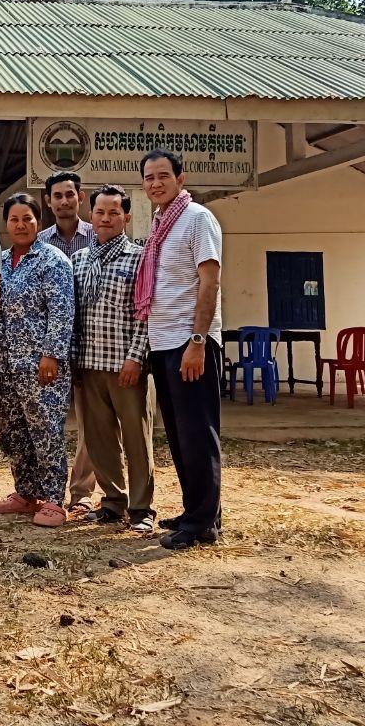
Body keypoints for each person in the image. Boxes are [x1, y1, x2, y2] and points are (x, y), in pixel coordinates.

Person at [136, 149, 224, 550]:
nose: (156, 183)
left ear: (180, 178)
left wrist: (198, 341)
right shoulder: (159, 225)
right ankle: (196, 511)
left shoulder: (197, 219)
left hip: (190, 344)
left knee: (197, 435)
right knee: (178, 434)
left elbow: (209, 283)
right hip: (163, 342)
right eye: (150, 177)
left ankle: (203, 525)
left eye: (163, 175)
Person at [0, 193, 75, 527]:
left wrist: (51, 354)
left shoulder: (52, 260)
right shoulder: (1, 260)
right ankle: (26, 493)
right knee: (14, 432)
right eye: (14, 219)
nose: (21, 225)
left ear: (40, 222)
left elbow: (62, 310)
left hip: (41, 366)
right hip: (7, 366)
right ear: (6, 223)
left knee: (46, 431)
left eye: (28, 218)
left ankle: (53, 499)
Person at [71, 184, 154, 532]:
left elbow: (148, 313)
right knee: (98, 438)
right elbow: (71, 315)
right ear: (91, 216)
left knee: (136, 439)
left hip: (125, 367)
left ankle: (141, 509)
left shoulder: (139, 258)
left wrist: (135, 359)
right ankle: (113, 501)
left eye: (113, 212)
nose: (106, 218)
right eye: (100, 212)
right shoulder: (78, 260)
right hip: (88, 365)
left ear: (126, 217)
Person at [37, 170, 99, 516]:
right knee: (48, 420)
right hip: (51, 348)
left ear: (81, 196)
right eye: (57, 196)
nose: (63, 201)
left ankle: (81, 492)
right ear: (48, 200)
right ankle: (46, 491)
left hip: (90, 342)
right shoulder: (40, 242)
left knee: (89, 422)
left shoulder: (97, 236)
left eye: (69, 195)